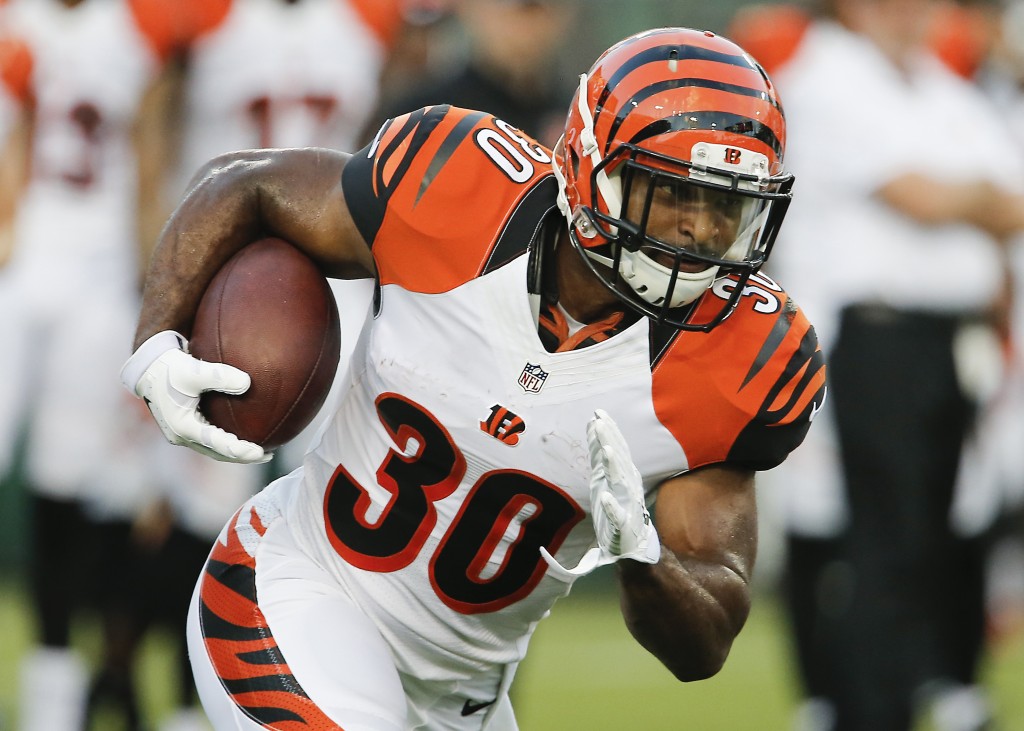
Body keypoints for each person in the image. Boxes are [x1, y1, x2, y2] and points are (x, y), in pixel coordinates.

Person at [120, 27, 826, 730]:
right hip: (295, 591)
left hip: (466, 701)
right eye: (673, 195)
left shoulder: (741, 357)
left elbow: (706, 639)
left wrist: (644, 556)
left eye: (727, 207)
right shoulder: (459, 189)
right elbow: (246, 184)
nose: (701, 234)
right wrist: (155, 339)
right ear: (591, 168)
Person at [760, 0, 1024, 728]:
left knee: (933, 537)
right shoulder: (825, 79)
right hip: (875, 337)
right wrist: (975, 197)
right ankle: (860, 706)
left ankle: (905, 695)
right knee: (882, 539)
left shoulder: (939, 86)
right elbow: (926, 196)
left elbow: (998, 196)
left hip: (951, 339)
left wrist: (970, 198)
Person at [374, 0, 576, 148]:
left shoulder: (575, 116)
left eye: (537, 12)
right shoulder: (425, 112)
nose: (526, 29)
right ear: (473, 11)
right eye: (517, 13)